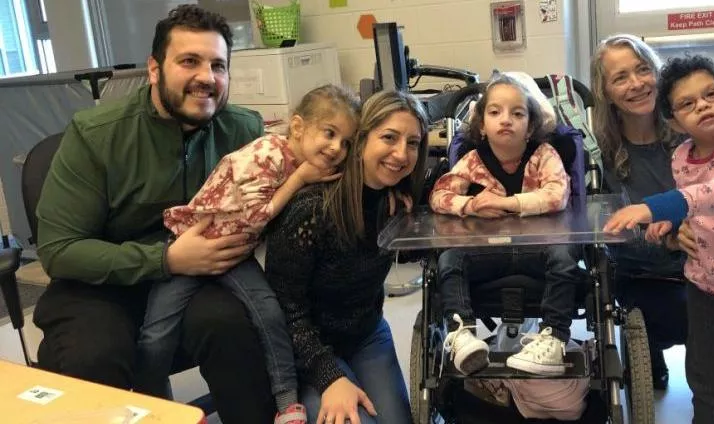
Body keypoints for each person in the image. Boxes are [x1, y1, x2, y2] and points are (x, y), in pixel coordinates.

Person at [33, 5, 278, 423]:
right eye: (189, 61)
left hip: (198, 280)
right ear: (153, 69)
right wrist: (165, 259)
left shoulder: (242, 131)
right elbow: (59, 250)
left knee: (238, 328)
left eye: (218, 65)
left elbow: (297, 179)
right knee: (93, 356)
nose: (206, 77)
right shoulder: (95, 136)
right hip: (102, 285)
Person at [134, 84, 360, 424]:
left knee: (270, 314)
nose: (336, 148)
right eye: (329, 133)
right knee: (156, 333)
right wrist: (299, 178)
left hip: (235, 253)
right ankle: (155, 406)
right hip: (192, 249)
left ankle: (286, 401)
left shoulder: (308, 165)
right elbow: (257, 216)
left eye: (345, 142)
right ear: (298, 127)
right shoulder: (265, 154)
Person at [589, 34, 714, 405]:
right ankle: (649, 353)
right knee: (684, 339)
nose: (636, 83)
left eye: (643, 70)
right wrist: (667, 238)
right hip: (645, 275)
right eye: (621, 77)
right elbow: (607, 232)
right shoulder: (598, 152)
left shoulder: (698, 134)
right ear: (604, 91)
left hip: (713, 268)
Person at [264, 90, 429, 424]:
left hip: (366, 332)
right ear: (361, 140)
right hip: (307, 347)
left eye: (413, 143)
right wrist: (329, 376)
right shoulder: (312, 209)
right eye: (389, 137)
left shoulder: (397, 200)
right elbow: (286, 310)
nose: (401, 153)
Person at [430, 74, 582, 376]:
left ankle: (553, 338)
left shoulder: (543, 155)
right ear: (482, 126)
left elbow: (557, 195)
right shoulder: (472, 161)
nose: (506, 120)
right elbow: (439, 195)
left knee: (566, 258)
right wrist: (470, 205)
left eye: (517, 113)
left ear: (531, 127)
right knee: (449, 259)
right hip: (491, 251)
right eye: (495, 112)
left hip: (540, 250)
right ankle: (462, 336)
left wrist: (506, 203)